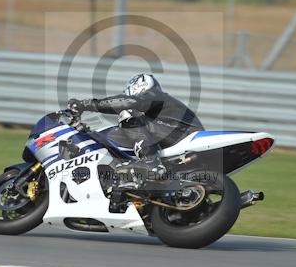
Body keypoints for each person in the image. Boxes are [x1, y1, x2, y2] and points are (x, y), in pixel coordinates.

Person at [67, 73, 204, 191]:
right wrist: (86, 132)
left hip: (183, 134)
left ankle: (151, 162)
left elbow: (129, 102)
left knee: (128, 114)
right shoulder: (155, 114)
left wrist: (85, 104)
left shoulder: (155, 96)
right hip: (174, 136)